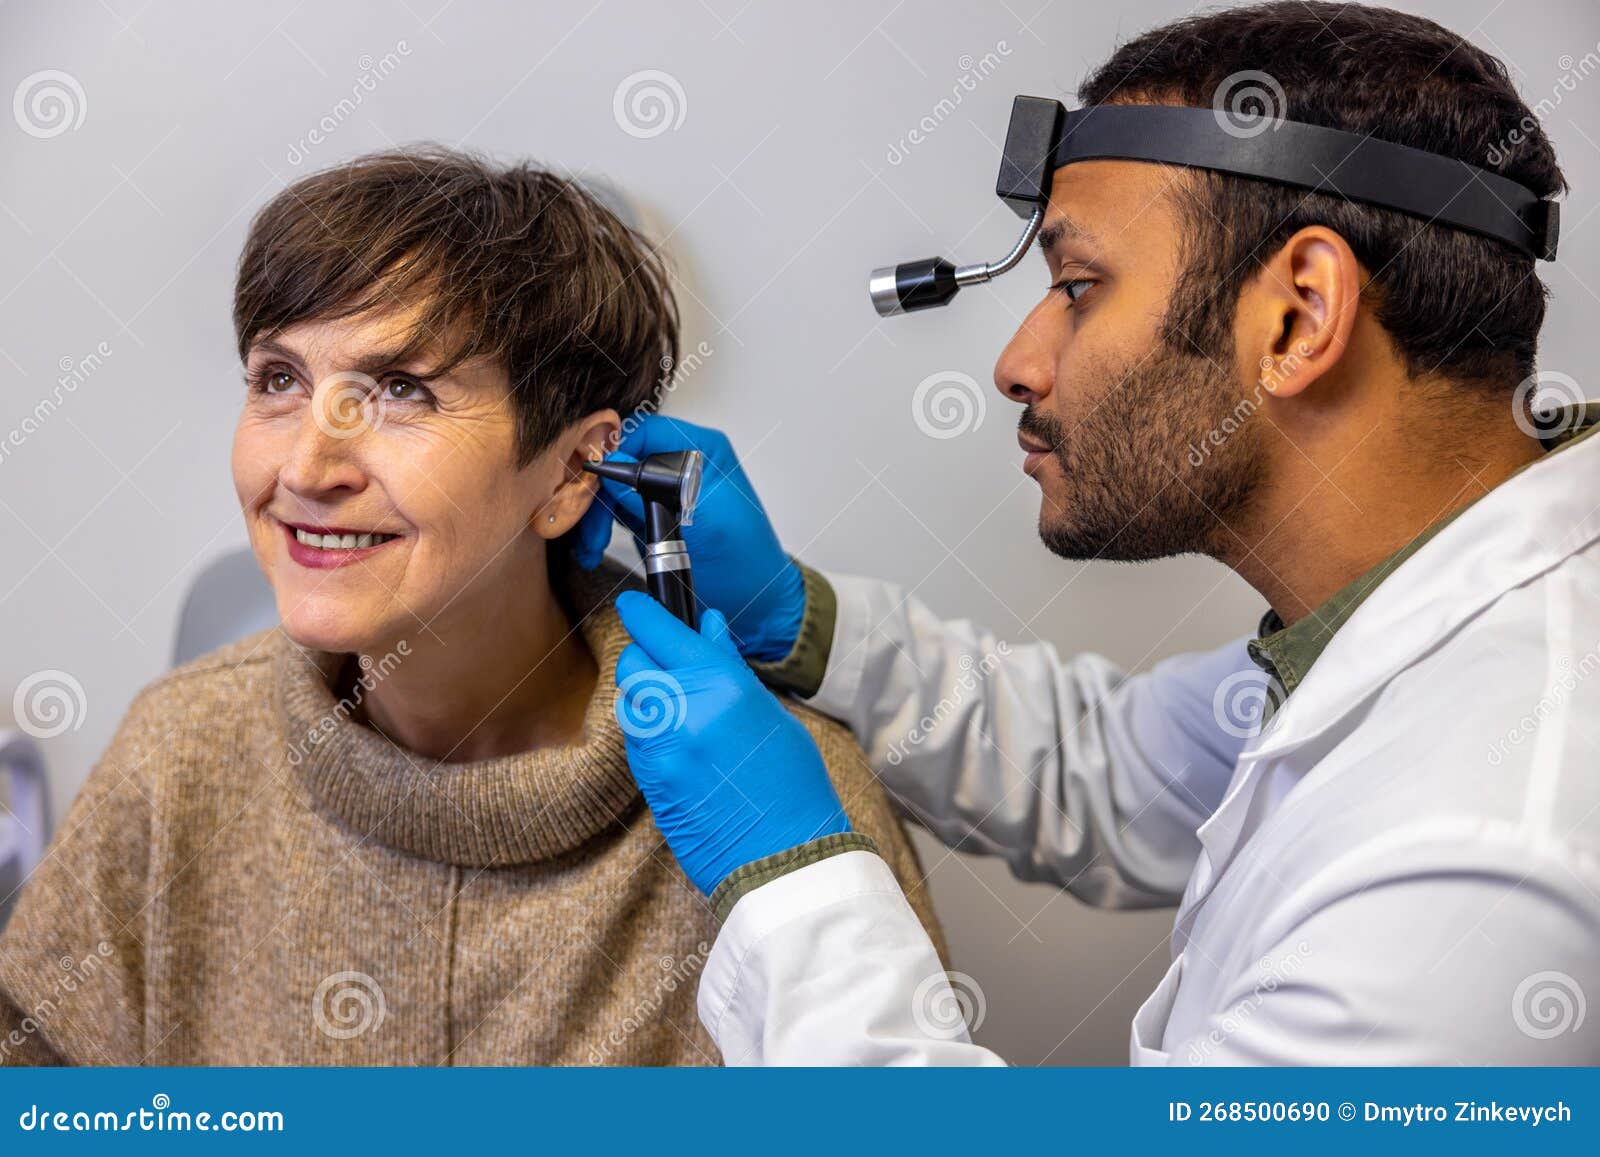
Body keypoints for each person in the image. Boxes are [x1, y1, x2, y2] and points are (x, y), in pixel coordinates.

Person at [574, 2, 1599, 1064]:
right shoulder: (1402, 619)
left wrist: (789, 881)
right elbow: (1104, 767)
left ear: (1298, 316)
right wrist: (796, 618)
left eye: (1076, 287)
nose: (1016, 362)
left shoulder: (1491, 848)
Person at [0, 148, 942, 1066]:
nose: (304, 469)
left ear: (575, 470)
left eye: (401, 390)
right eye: (279, 379)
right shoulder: (175, 756)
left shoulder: (789, 815)